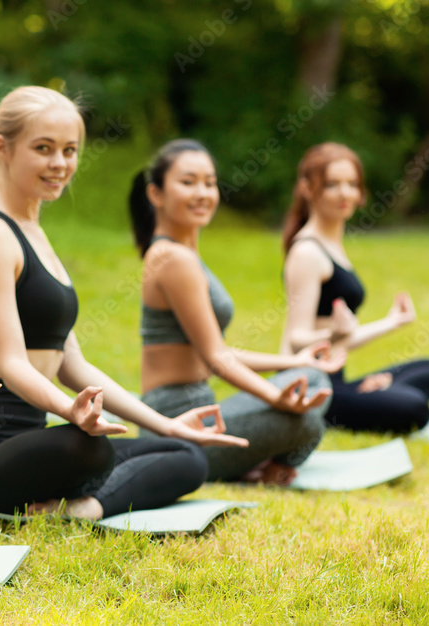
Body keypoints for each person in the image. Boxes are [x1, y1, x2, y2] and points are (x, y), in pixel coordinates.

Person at [0, 87, 248, 521]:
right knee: (84, 446)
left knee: (186, 453)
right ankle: (76, 488)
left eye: (70, 150)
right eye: (44, 149)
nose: (60, 164)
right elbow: (11, 362)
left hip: (34, 437)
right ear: (2, 147)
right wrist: (70, 410)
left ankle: (82, 509)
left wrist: (165, 423)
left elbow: (73, 364)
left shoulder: (34, 233)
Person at [129, 139, 345, 485]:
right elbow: (217, 360)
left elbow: (218, 351)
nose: (202, 192)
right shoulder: (174, 260)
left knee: (313, 379)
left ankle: (252, 463)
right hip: (175, 428)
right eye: (188, 182)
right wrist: (276, 397)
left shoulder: (183, 255)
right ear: (156, 194)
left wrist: (297, 361)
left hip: (201, 412)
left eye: (209, 182)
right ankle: (260, 467)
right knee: (305, 420)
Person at [280, 142, 429, 433]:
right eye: (333, 184)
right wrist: (334, 334)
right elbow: (297, 340)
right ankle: (360, 401)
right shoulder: (308, 252)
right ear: (307, 188)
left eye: (352, 184)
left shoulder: (332, 246)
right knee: (414, 408)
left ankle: (366, 395)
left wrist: (391, 322)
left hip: (337, 379)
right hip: (313, 388)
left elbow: (341, 339)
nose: (345, 193)